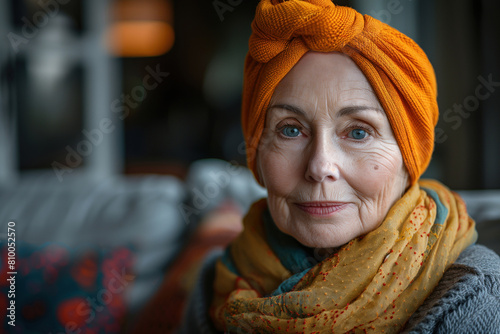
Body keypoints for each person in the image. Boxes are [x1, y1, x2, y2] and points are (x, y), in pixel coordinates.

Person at [179, 0, 500, 333]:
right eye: (290, 129)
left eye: (358, 132)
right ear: (256, 150)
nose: (320, 167)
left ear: (409, 157)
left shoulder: (473, 297)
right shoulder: (216, 282)